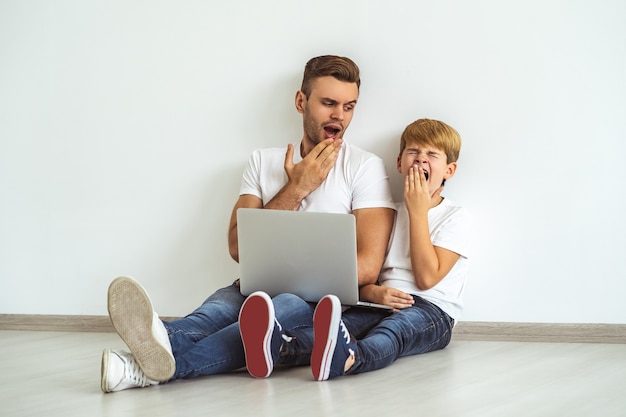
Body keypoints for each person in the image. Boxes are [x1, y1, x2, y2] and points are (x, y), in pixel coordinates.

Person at [101, 55, 396, 393]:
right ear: (301, 102)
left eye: (349, 106)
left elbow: (368, 267)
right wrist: (297, 188)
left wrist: (292, 278)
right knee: (208, 317)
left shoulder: (364, 167)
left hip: (316, 299)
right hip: (253, 285)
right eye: (328, 103)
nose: (338, 116)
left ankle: (142, 367)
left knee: (265, 316)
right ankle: (157, 343)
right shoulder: (262, 161)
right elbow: (238, 247)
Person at [307, 118, 472, 380]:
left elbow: (427, 278)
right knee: (339, 325)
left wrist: (418, 213)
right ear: (399, 163)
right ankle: (282, 346)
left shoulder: (455, 216)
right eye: (413, 152)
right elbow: (367, 271)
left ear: (449, 170)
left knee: (393, 331)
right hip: (380, 300)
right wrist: (373, 292)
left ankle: (350, 359)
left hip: (431, 310)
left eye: (431, 154)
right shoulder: (388, 213)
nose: (420, 160)